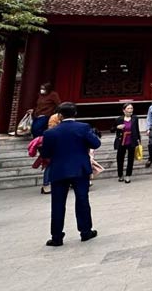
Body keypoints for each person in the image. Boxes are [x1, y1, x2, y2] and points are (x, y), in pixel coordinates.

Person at [40, 102, 101, 246]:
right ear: (75, 114)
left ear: (59, 115)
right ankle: (85, 231)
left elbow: (45, 153)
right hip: (80, 169)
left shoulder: (50, 133)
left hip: (59, 170)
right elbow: (96, 143)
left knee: (57, 204)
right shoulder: (83, 128)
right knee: (82, 200)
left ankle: (56, 236)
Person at [113, 103, 141, 183]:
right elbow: (112, 129)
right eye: (128, 108)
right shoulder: (119, 119)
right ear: (124, 110)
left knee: (130, 159)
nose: (130, 110)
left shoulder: (135, 118)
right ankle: (120, 175)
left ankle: (128, 175)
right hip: (122, 141)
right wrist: (117, 127)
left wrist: (139, 140)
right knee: (120, 159)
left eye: (131, 108)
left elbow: (137, 129)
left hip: (131, 140)